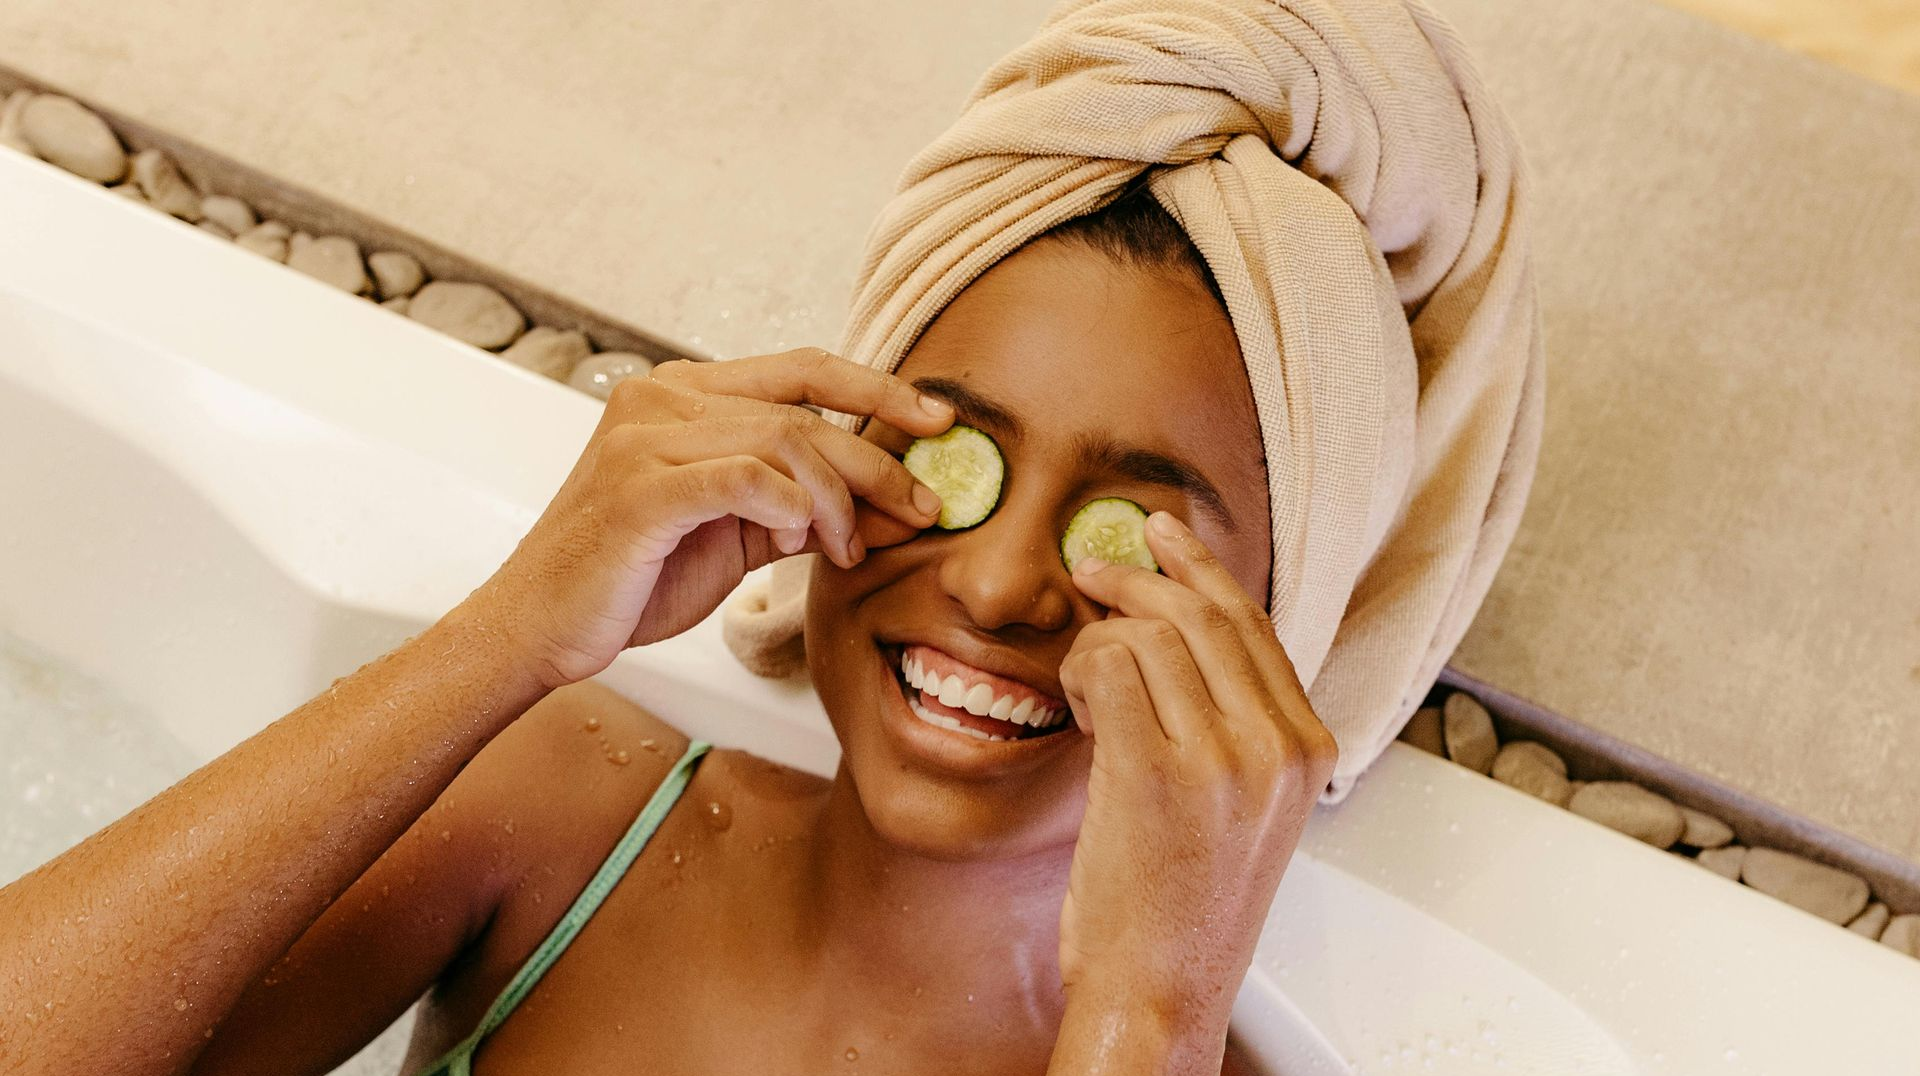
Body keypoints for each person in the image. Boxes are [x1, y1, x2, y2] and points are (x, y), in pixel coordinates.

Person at [0, 0, 1542, 1071]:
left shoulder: (1190, 1053)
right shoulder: (569, 819)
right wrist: (509, 633)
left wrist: (1149, 1010)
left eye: (1130, 538)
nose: (1000, 582)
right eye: (952, 458)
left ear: (1284, 626)